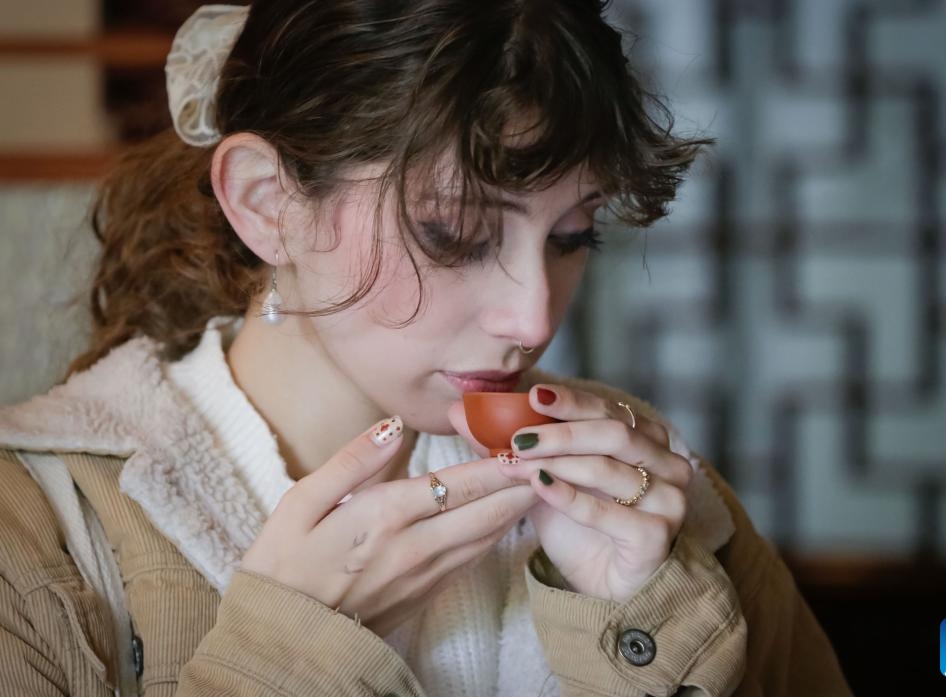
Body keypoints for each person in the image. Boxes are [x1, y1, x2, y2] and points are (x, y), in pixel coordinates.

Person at [0, 2, 853, 696]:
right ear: (266, 204)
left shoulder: (648, 494)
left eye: (573, 237)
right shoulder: (35, 537)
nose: (531, 317)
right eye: (453, 233)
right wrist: (281, 661)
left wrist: (641, 624)